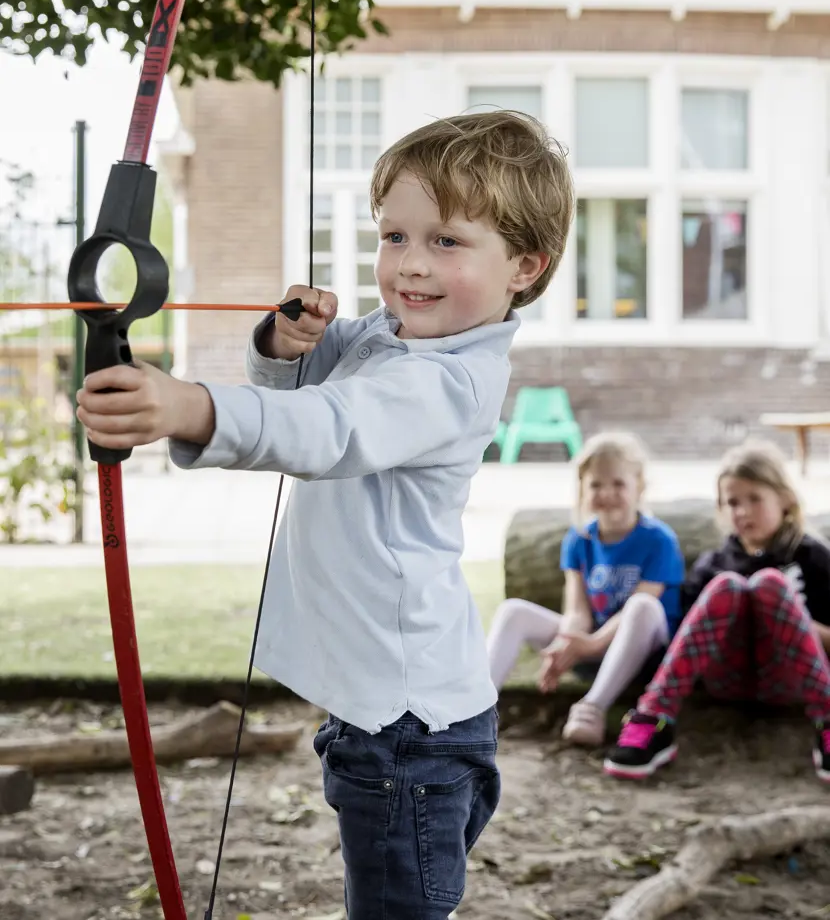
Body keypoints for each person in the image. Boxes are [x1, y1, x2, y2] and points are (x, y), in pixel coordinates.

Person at [75, 110, 575, 919]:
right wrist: (283, 341)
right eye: (394, 237)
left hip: (409, 736)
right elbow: (305, 382)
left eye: (446, 242)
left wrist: (189, 407)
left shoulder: (445, 382)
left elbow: (327, 428)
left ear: (525, 264)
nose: (409, 265)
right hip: (392, 715)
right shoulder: (396, 336)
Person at [604, 439, 830, 783]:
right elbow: (684, 640)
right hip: (725, 676)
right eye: (733, 502)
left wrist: (791, 620)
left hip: (790, 679)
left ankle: (827, 719)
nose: (742, 511)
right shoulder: (715, 564)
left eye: (755, 499)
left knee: (770, 584)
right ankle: (653, 718)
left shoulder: (812, 557)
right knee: (728, 586)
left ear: (784, 498)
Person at [486, 432, 684, 746]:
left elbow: (645, 602)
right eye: (596, 485)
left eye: (618, 484)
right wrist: (566, 642)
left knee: (642, 607)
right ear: (582, 489)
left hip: (643, 652)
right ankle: (475, 709)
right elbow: (577, 609)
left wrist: (590, 644)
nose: (606, 493)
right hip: (592, 645)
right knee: (514, 612)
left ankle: (593, 707)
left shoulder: (659, 540)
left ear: (639, 486)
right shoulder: (580, 539)